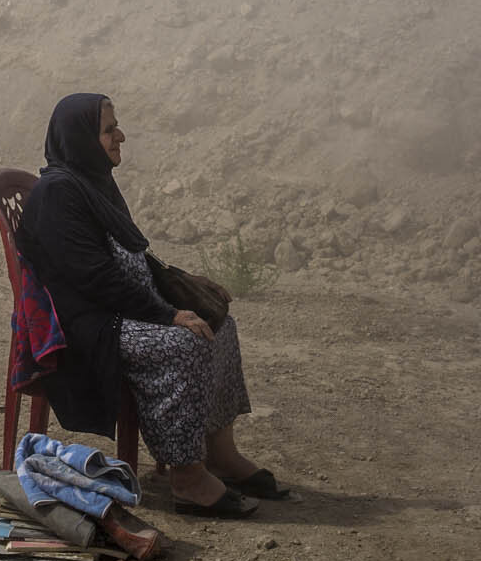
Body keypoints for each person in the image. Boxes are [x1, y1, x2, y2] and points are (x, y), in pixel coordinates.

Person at [16, 92, 286, 517]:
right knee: (185, 342)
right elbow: (95, 279)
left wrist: (182, 284)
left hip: (122, 311)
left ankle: (220, 452)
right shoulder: (58, 194)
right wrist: (167, 313)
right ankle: (188, 476)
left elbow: (133, 255)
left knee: (220, 323)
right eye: (108, 129)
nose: (120, 135)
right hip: (90, 326)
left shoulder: (93, 182)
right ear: (81, 137)